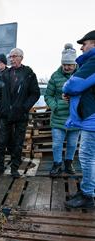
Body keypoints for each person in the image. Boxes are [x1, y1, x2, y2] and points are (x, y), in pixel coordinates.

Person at [0, 48, 40, 178]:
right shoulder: (5, 74)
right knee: (1, 141)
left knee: (18, 142)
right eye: (10, 57)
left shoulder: (28, 73)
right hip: (6, 114)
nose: (11, 59)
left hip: (21, 115)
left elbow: (35, 93)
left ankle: (14, 168)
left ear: (21, 57)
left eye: (14, 56)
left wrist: (25, 107)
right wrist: (0, 108)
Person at [63, 30, 95, 209]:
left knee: (87, 157)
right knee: (90, 157)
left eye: (85, 43)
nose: (82, 47)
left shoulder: (94, 61)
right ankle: (87, 190)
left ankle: (88, 195)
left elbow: (74, 84)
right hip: (91, 118)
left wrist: (68, 89)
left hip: (92, 119)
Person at [44, 43, 80, 177]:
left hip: (75, 117)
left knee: (72, 144)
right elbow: (48, 95)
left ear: (75, 64)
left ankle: (68, 163)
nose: (67, 67)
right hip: (59, 117)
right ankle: (57, 164)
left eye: (70, 64)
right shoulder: (55, 76)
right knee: (57, 144)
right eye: (65, 64)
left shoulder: (81, 74)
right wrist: (56, 106)